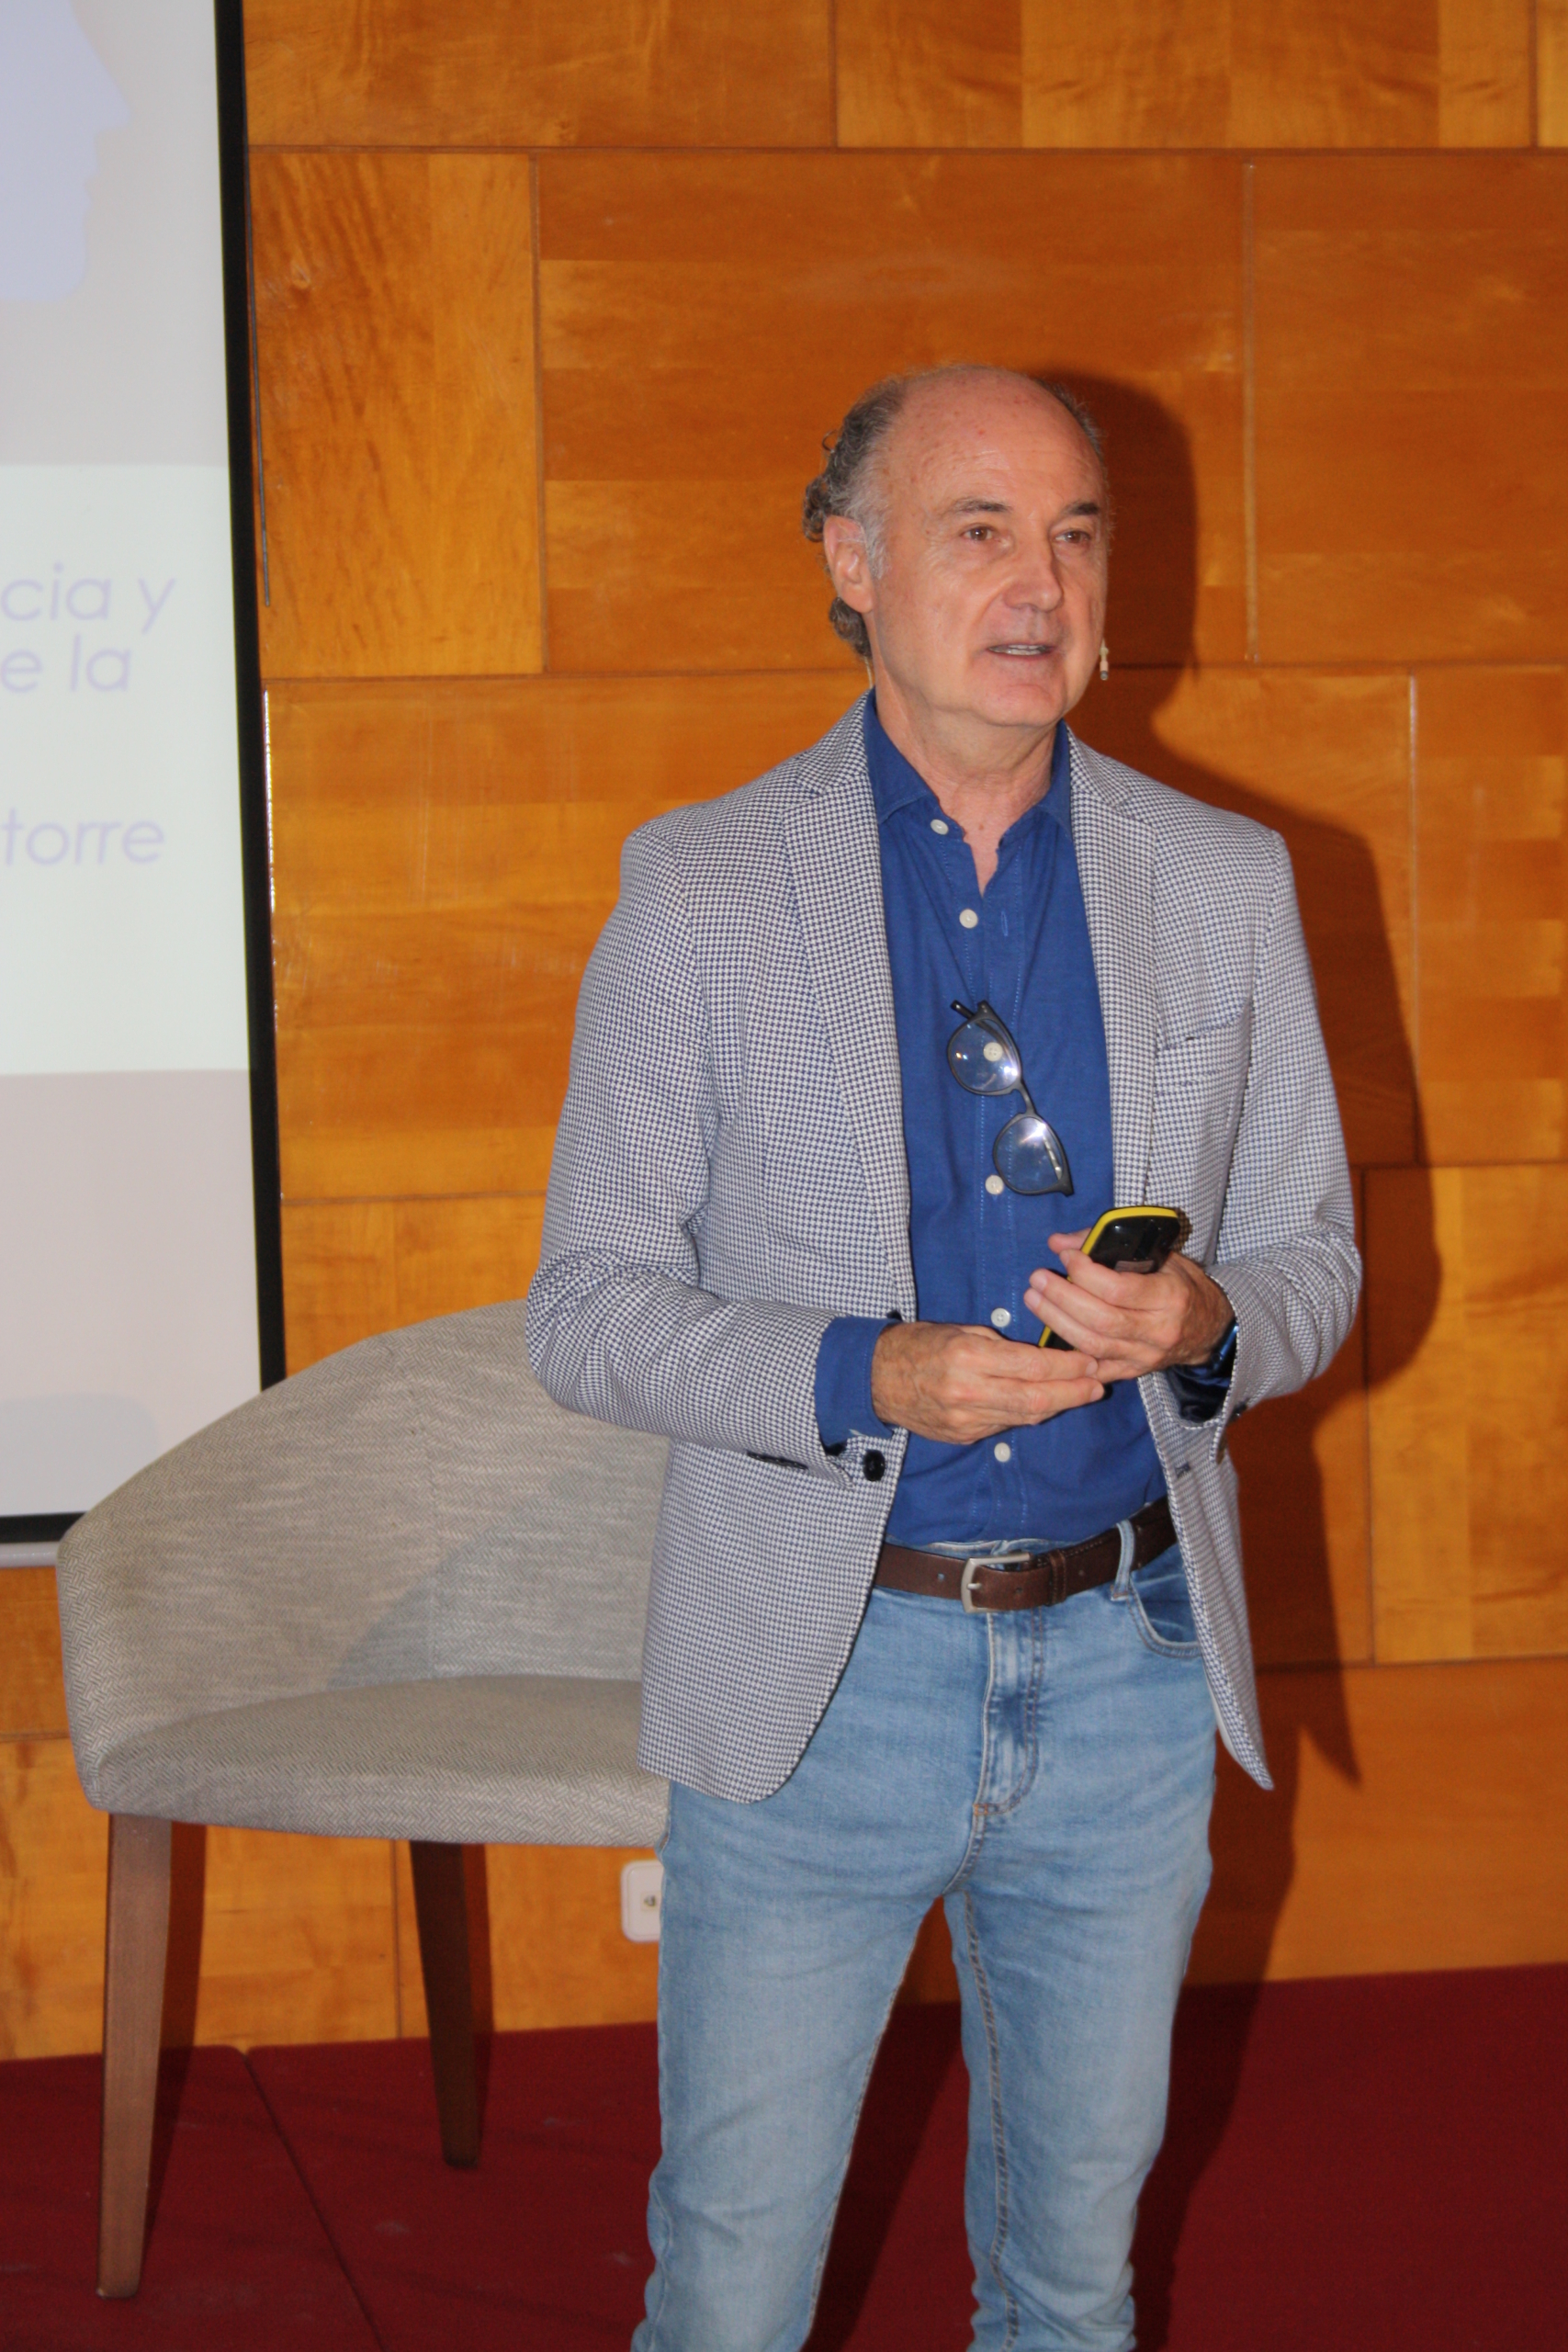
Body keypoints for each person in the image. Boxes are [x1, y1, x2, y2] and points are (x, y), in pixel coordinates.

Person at [526, 365, 1360, 2352]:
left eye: (1074, 533)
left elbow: (1317, 1260)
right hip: (828, 1674)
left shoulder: (1225, 881)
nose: (1039, 582)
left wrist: (1207, 1320)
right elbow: (586, 1308)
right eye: (978, 529)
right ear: (852, 564)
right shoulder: (703, 888)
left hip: (1129, 1671)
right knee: (732, 2294)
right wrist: (861, 1373)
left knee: (1071, 2290)